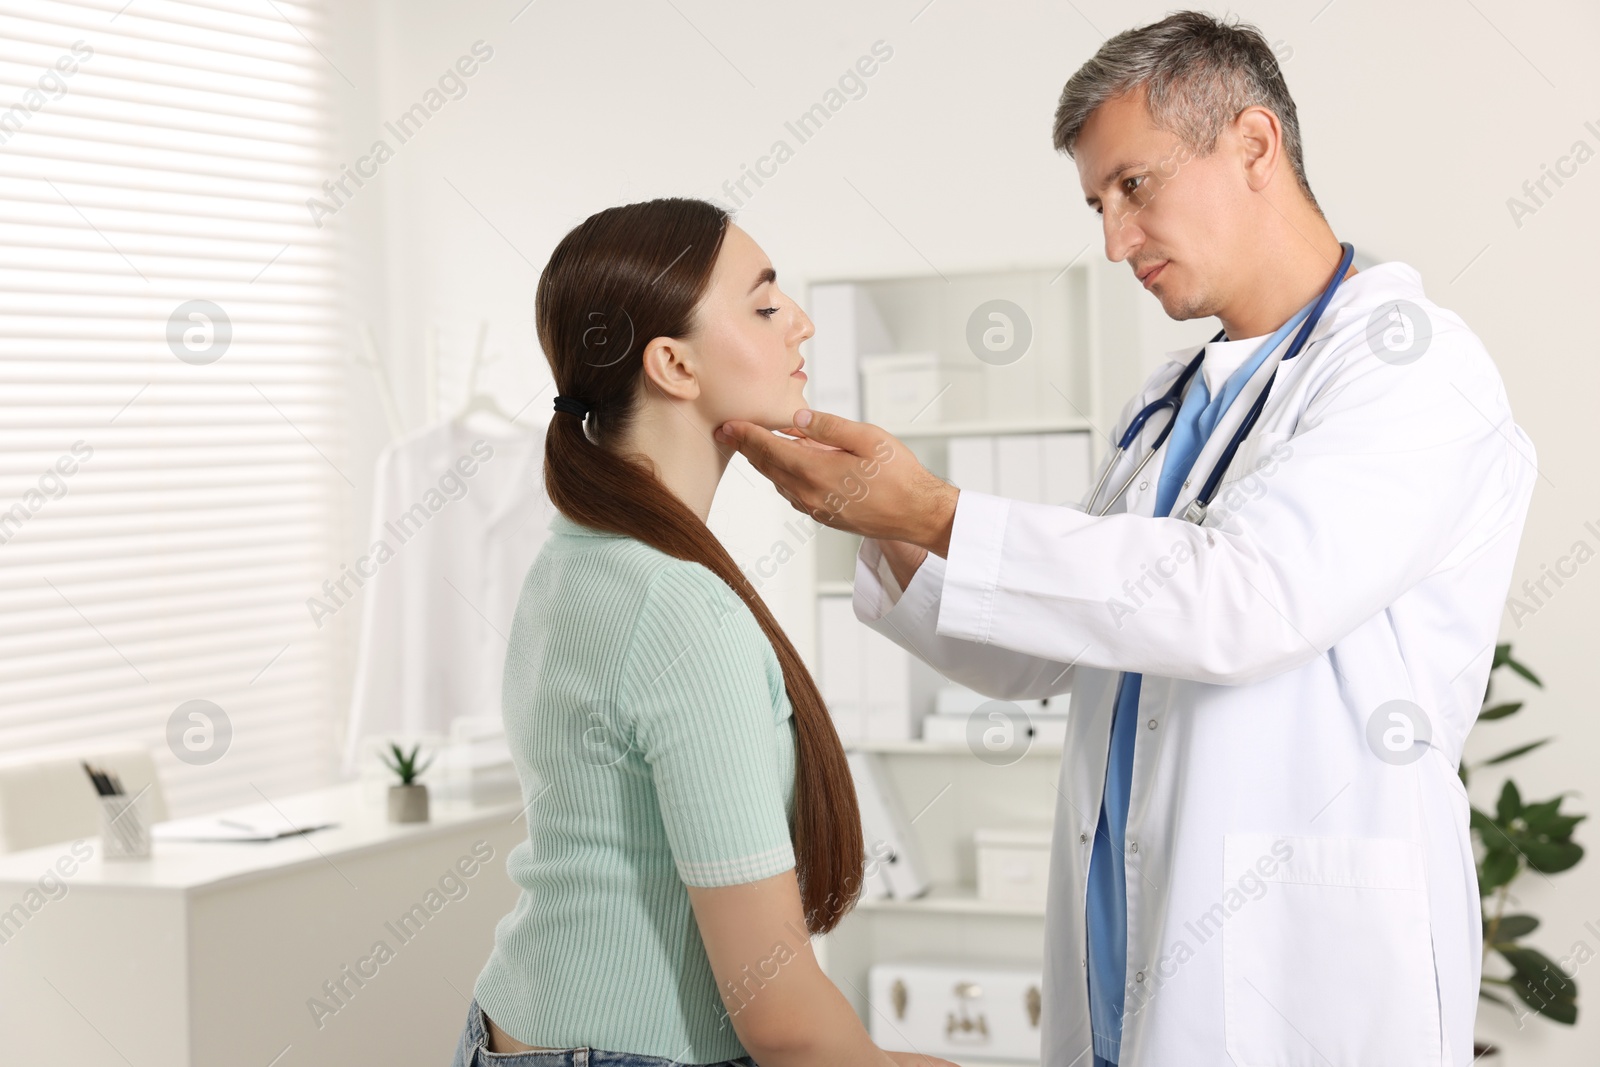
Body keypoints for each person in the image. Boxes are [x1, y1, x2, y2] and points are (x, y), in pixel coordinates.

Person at [714, 12, 1535, 1067]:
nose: (1112, 241)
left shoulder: (1410, 365)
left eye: (1133, 187)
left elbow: (1243, 601)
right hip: (1127, 953)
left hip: (1300, 968)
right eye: (1097, 205)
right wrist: (886, 526)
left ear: (1252, 145)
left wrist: (933, 509)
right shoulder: (1170, 401)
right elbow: (1050, 644)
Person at [451, 197, 958, 1067]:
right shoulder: (677, 606)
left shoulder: (579, 554)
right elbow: (785, 1021)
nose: (799, 323)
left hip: (519, 1033)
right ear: (673, 365)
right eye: (764, 306)